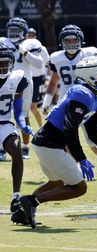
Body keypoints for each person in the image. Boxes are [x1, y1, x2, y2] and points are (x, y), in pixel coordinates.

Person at [13, 56, 97, 229]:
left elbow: (95, 133)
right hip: (50, 144)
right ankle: (31, 201)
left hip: (47, 144)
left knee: (56, 182)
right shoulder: (81, 94)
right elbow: (70, 129)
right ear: (94, 76)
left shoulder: (94, 97)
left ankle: (23, 211)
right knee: (79, 188)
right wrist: (82, 158)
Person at [41, 24, 97, 179]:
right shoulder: (57, 58)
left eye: (74, 40)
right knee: (66, 138)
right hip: (67, 102)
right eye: (68, 41)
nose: (71, 43)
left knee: (92, 140)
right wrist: (47, 102)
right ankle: (75, 169)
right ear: (62, 42)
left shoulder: (89, 53)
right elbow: (53, 82)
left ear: (80, 40)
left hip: (88, 101)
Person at [0, 17, 43, 160]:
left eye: (16, 30)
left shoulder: (30, 43)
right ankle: (3, 147)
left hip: (24, 83)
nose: (12, 33)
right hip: (4, 81)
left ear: (24, 31)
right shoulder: (3, 42)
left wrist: (25, 52)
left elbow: (39, 64)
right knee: (4, 116)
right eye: (10, 30)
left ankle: (24, 146)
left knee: (23, 115)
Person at [0, 42, 32, 216]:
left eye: (5, 62)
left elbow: (18, 111)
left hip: (4, 123)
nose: (3, 66)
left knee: (17, 150)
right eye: (0, 62)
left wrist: (23, 124)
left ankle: (15, 196)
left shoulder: (17, 77)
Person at [27, 27, 50, 128]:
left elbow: (48, 63)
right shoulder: (23, 47)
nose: (31, 37)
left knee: (33, 107)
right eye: (29, 35)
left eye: (32, 35)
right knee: (24, 107)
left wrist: (47, 78)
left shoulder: (42, 48)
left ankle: (41, 128)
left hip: (37, 79)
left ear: (35, 36)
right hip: (26, 78)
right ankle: (22, 128)